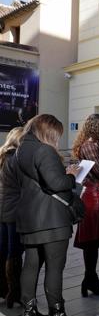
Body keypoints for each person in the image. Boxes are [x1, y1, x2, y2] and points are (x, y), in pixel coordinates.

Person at [15, 114, 81, 316]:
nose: (58, 140)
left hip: (29, 216)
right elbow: (57, 183)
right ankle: (57, 311)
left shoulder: (21, 149)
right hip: (51, 218)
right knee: (55, 267)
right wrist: (72, 175)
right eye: (57, 134)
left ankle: (29, 309)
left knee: (31, 265)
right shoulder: (44, 149)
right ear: (48, 131)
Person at [72, 114, 99, 297]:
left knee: (92, 242)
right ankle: (90, 279)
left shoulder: (89, 144)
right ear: (96, 126)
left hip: (91, 192)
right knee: (92, 241)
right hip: (94, 194)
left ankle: (90, 278)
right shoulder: (91, 145)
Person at [0, 128, 24, 309]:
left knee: (3, 249)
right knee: (14, 252)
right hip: (14, 209)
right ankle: (13, 291)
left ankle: (3, 288)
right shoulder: (15, 157)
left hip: (3, 208)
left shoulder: (2, 154)